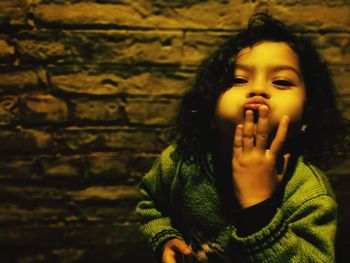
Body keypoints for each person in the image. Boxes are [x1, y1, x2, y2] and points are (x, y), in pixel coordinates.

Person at [136, 12, 348, 263]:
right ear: (210, 106)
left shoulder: (308, 194)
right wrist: (165, 238)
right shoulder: (182, 160)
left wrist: (259, 210)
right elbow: (152, 204)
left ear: (308, 114)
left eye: (281, 81)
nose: (257, 89)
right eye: (238, 79)